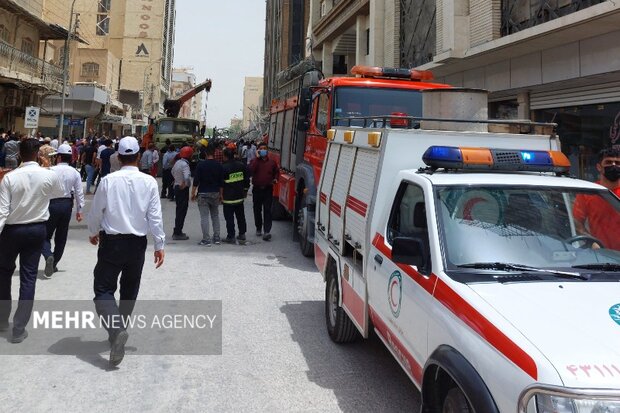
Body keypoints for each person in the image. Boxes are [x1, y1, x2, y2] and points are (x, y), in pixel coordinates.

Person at [87, 136, 165, 366]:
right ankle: (118, 332)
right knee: (129, 290)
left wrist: (93, 231)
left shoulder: (109, 180)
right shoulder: (150, 182)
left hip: (112, 243)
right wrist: (159, 245)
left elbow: (96, 210)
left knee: (102, 290)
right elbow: (155, 216)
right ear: (138, 156)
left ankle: (116, 330)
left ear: (118, 157)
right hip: (137, 245)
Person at [0, 139, 64, 343]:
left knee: (4, 274)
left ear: (19, 153)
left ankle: (2, 320)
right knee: (28, 278)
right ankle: (19, 328)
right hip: (36, 229)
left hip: (11, 230)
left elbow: (2, 211)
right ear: (38, 153)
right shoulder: (48, 175)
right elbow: (58, 192)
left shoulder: (9, 178)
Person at [42, 144, 85, 278]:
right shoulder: (75, 172)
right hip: (66, 205)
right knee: (61, 237)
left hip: (51, 204)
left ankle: (48, 255)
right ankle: (54, 262)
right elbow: (79, 193)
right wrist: (80, 210)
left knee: (45, 235)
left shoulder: (50, 170)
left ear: (59, 157)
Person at [573, 147, 620, 251]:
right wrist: (592, 242)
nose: (613, 165)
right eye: (608, 162)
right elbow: (577, 223)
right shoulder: (588, 193)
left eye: (617, 163)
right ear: (599, 167)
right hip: (600, 256)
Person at [192, 145, 224, 246]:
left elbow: (196, 181)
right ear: (214, 153)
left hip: (203, 194)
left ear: (205, 154)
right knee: (215, 216)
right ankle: (217, 238)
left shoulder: (201, 165)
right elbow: (221, 182)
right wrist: (221, 195)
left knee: (204, 217)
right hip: (215, 193)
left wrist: (193, 193)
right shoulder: (219, 165)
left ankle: (206, 239)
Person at [249, 142, 279, 241]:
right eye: (261, 148)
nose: (263, 150)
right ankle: (258, 227)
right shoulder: (254, 161)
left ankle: (267, 231)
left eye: (264, 148)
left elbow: (276, 172)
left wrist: (275, 179)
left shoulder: (272, 162)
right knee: (257, 210)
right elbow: (251, 170)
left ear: (267, 150)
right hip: (257, 189)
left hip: (268, 189)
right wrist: (257, 158)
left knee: (267, 210)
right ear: (258, 150)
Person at [221, 148, 250, 245]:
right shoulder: (241, 165)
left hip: (228, 198)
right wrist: (245, 190)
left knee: (229, 218)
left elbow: (221, 184)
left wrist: (220, 196)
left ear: (225, 156)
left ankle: (231, 236)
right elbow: (246, 180)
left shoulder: (223, 168)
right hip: (239, 196)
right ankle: (242, 234)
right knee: (241, 216)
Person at [171, 146, 193, 240]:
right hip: (182, 189)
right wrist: (186, 184)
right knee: (182, 211)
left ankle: (177, 230)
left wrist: (177, 179)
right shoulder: (185, 165)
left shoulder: (178, 163)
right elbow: (187, 177)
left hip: (176, 186)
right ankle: (178, 232)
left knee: (178, 210)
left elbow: (172, 172)